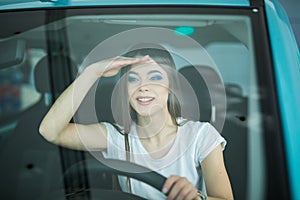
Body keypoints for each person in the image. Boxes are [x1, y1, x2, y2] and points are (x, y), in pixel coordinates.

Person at [39, 43, 234, 200]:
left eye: (155, 77)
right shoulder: (115, 136)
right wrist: (91, 73)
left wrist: (196, 198)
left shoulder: (201, 135)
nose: (143, 87)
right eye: (133, 79)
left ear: (171, 86)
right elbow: (50, 131)